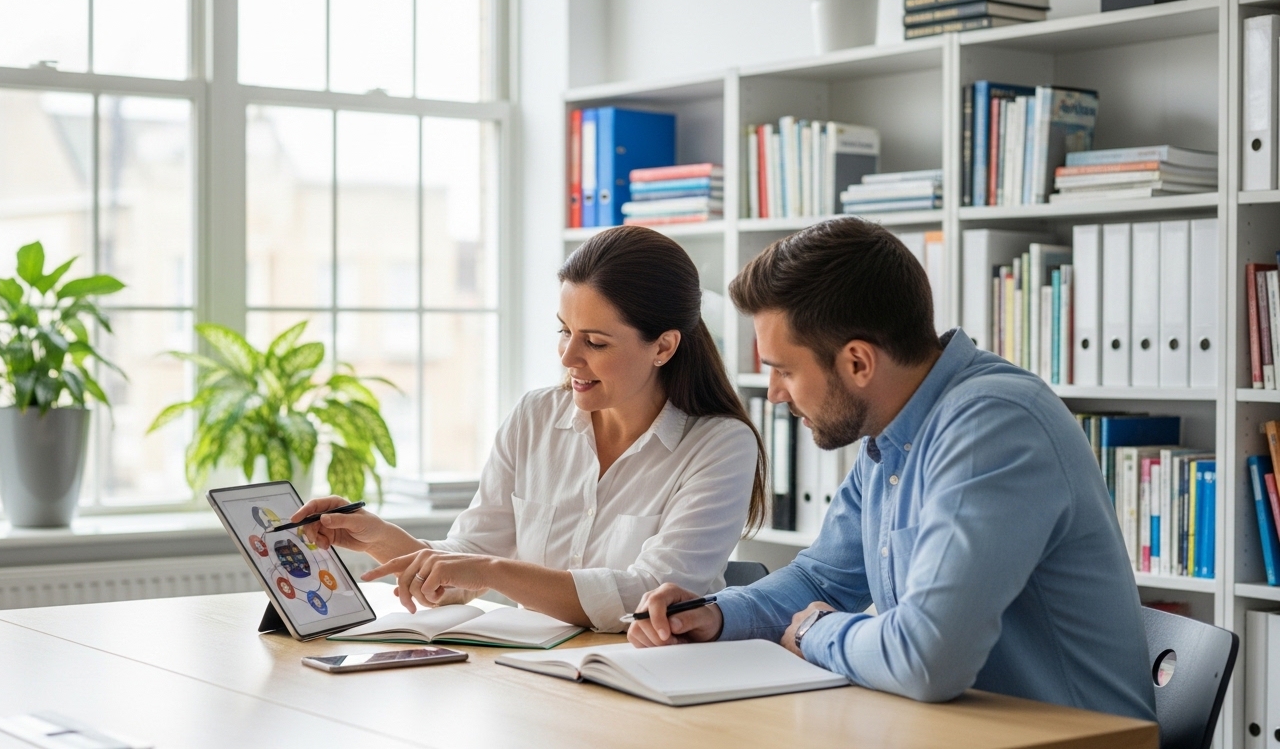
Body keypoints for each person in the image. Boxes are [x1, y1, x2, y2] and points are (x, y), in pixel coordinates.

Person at [628, 218, 1156, 721]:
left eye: (785, 370)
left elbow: (929, 658)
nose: (775, 394)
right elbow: (823, 578)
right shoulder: (892, 434)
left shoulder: (992, 427)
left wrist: (816, 632)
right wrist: (716, 615)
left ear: (858, 362)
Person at [292, 226, 764, 632]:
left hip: (643, 681)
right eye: (564, 331)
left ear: (663, 347)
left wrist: (492, 571)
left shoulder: (719, 446)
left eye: (595, 342)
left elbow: (647, 595)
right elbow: (469, 559)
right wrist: (378, 536)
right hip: (536, 677)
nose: (567, 357)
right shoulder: (535, 417)